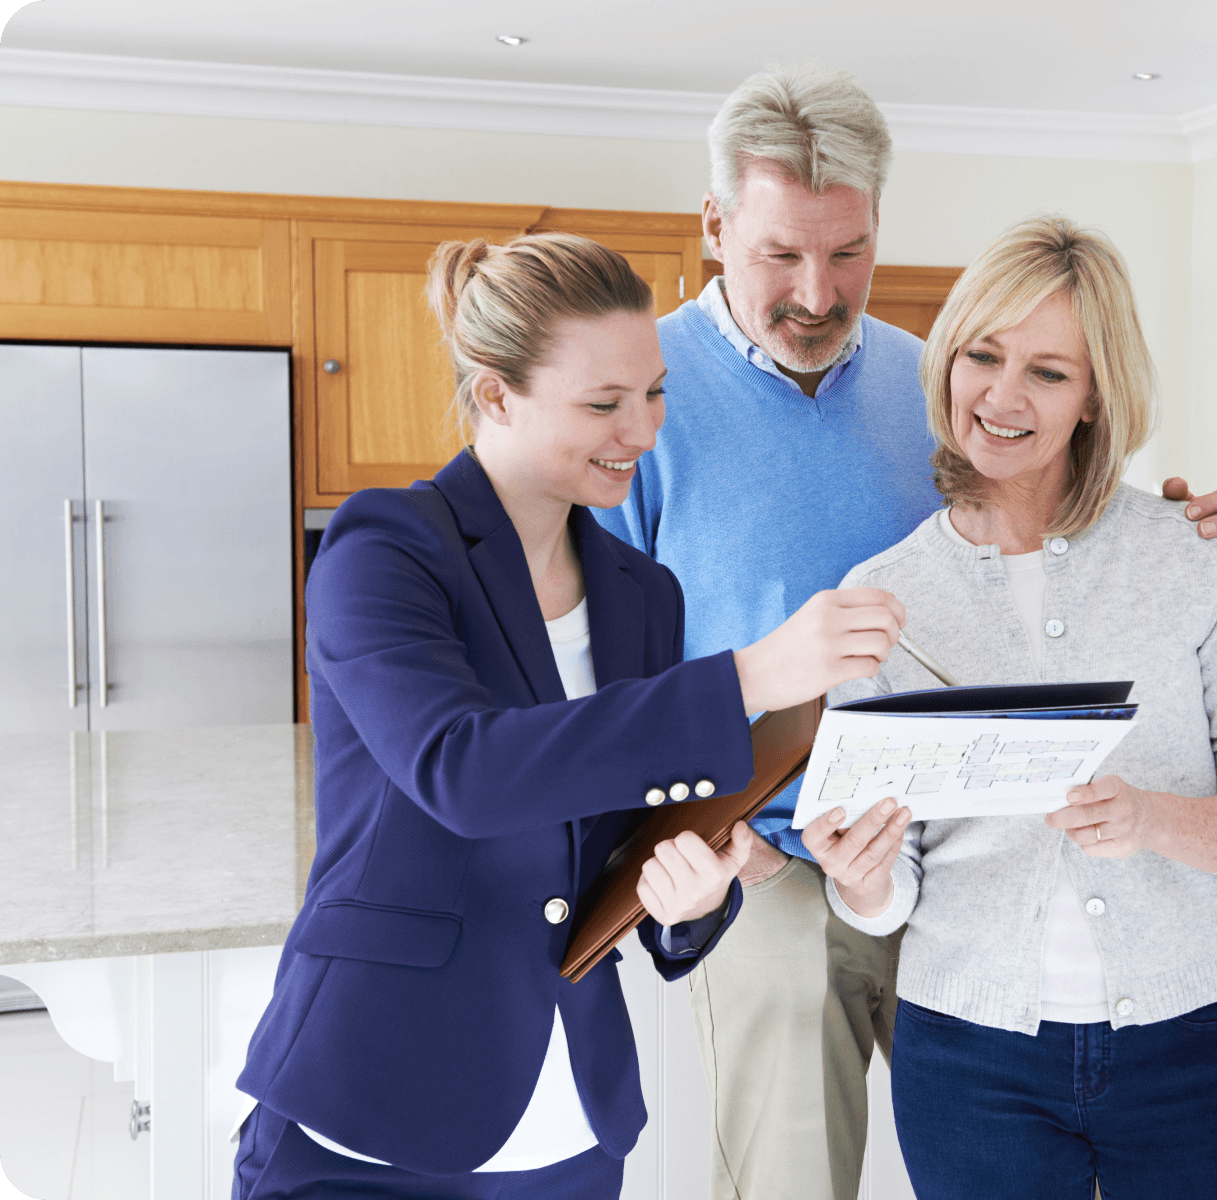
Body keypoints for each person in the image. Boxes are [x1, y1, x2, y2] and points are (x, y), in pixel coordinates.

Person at [595, 65, 1217, 1200]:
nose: (817, 291)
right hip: (766, 867)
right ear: (715, 227)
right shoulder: (643, 408)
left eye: (847, 252)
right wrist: (715, 847)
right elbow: (598, 686)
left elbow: (1050, 536)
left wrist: (1204, 532)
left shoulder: (937, 384)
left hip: (968, 865)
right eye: (778, 255)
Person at [230, 231, 907, 1198]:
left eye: (655, 393)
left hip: (569, 1121)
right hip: (371, 1102)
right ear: (495, 393)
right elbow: (464, 771)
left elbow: (621, 837)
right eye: (604, 403)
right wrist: (750, 676)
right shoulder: (387, 547)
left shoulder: (642, 592)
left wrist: (691, 900)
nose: (643, 430)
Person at [804, 215, 1217, 1199]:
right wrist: (856, 881)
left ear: (1095, 397)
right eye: (981, 355)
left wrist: (1153, 818)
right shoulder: (882, 600)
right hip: (970, 1059)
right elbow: (890, 885)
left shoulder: (1194, 557)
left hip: (1198, 1039)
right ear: (946, 360)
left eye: (1047, 371)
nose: (999, 395)